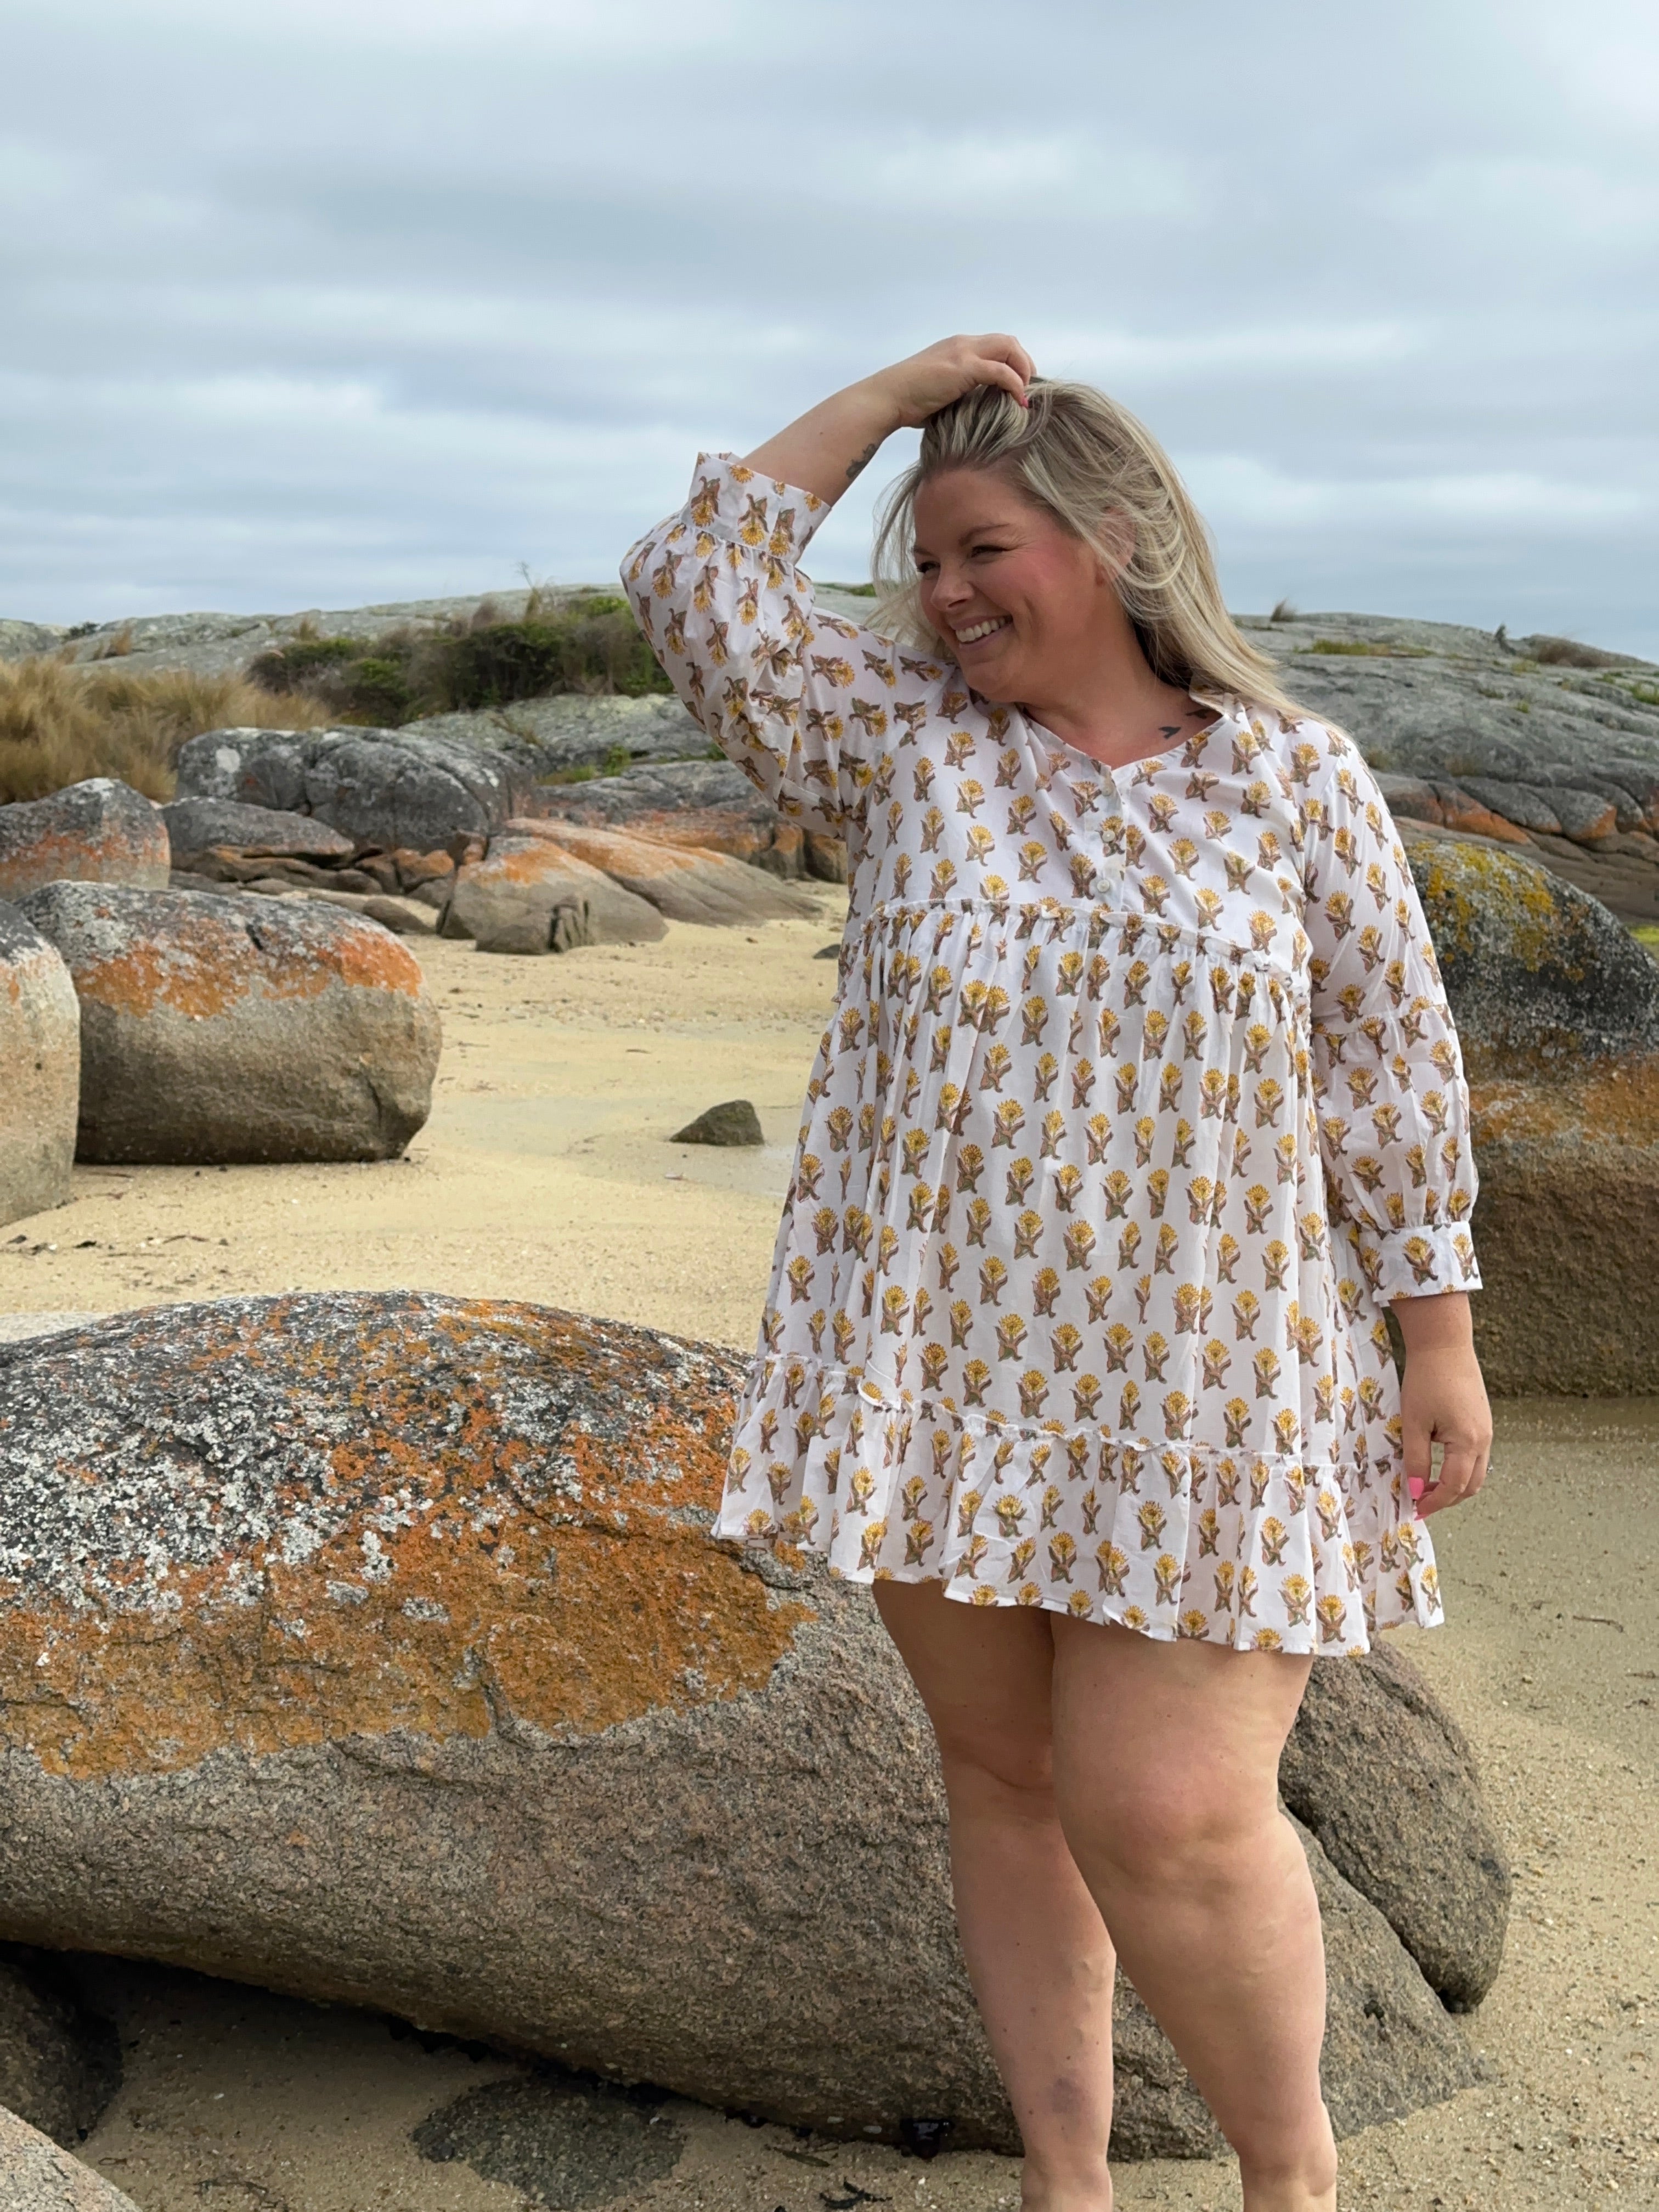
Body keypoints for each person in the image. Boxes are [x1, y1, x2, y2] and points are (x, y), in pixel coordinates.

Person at [621, 335, 1493, 2212]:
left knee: (1171, 1813)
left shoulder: (1297, 782)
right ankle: (1066, 2182)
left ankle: (1291, 2179)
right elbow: (692, 586)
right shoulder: (907, 747)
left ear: (1109, 540)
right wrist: (887, 398)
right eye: (923, 561)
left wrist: (1441, 1337)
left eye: (982, 550)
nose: (941, 594)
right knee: (1007, 1784)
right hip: (940, 1365)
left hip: (1212, 1378)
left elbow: (1390, 1064)